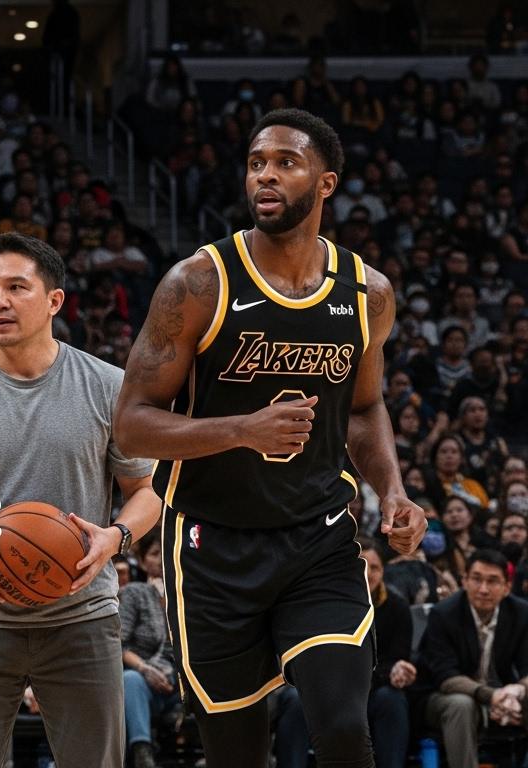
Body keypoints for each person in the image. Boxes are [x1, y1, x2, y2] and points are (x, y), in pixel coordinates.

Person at [114, 108, 426, 768]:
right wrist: (241, 431)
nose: (266, 174)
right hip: (211, 544)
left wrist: (392, 490)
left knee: (342, 724)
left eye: (286, 162)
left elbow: (365, 409)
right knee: (238, 752)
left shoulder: (366, 292)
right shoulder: (198, 282)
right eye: (257, 162)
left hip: (317, 536)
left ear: (327, 182)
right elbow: (133, 421)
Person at [0, 232, 160, 767]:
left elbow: (147, 491)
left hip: (82, 615)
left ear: (54, 301)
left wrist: (115, 537)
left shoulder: (108, 386)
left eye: (17, 287)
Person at [268, 538, 417, 768]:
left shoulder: (397, 607)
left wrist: (399, 671)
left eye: (375, 567)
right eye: (362, 565)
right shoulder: (321, 601)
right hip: (319, 688)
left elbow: (397, 660)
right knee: (295, 700)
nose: (367, 573)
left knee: (392, 700)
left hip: (372, 689)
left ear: (384, 570)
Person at [420, 549, 528, 768]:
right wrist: (492, 695)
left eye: (493, 581)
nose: (483, 589)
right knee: (462, 705)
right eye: (476, 579)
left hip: (503, 693)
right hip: (443, 697)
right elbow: (445, 676)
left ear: (507, 587)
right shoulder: (444, 614)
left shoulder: (521, 613)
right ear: (464, 581)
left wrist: (516, 691)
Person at [122, 534, 180, 768]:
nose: (162, 559)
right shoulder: (134, 593)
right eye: (155, 554)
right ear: (144, 562)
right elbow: (118, 645)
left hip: (180, 681)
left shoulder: (184, 593)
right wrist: (145, 669)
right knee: (131, 679)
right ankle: (142, 753)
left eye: (166, 552)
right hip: (146, 684)